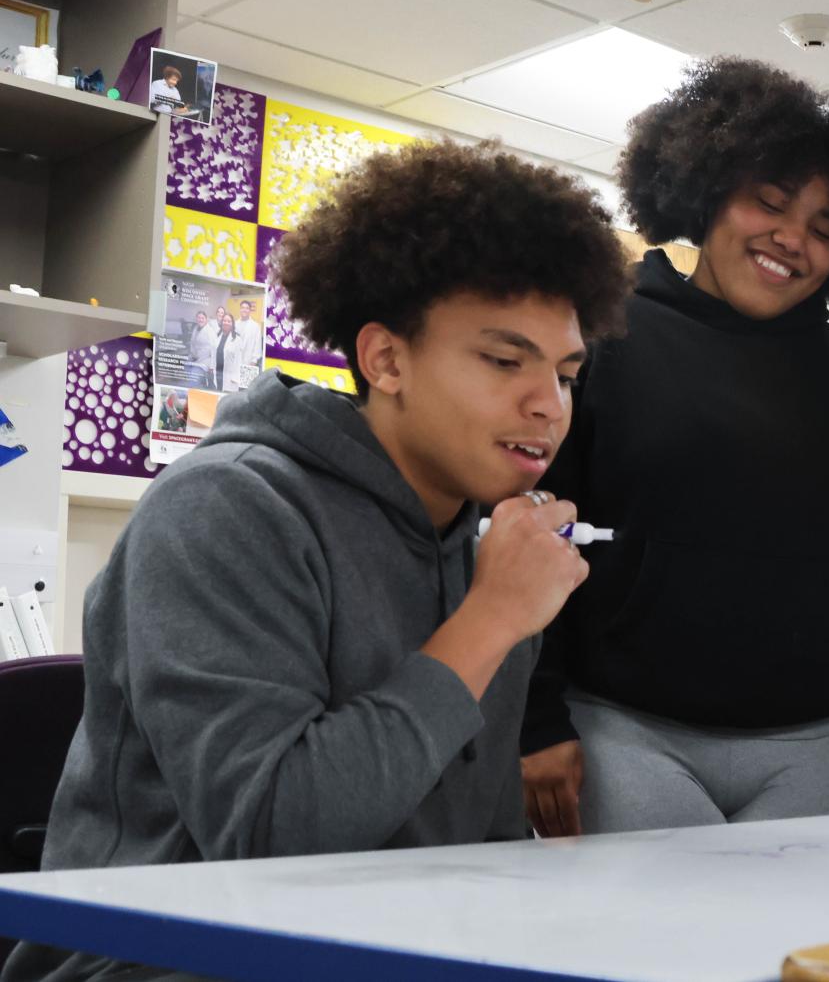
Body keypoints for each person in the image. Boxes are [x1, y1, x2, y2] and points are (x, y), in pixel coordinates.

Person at [1, 140, 630, 982]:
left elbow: (470, 834)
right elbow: (271, 835)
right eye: (505, 360)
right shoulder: (224, 508)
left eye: (566, 373)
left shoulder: (483, 536)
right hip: (166, 960)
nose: (548, 405)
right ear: (385, 359)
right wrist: (492, 618)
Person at [519, 57, 829, 836]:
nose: (791, 239)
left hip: (813, 741)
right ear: (707, 193)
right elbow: (535, 531)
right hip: (626, 731)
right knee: (654, 959)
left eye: (824, 228)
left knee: (801, 958)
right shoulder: (607, 339)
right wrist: (537, 718)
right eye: (769, 204)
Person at [187, 308, 219, 389]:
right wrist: (191, 356)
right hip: (197, 359)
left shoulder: (210, 331)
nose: (200, 320)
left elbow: (214, 349)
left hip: (206, 360)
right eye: (199, 318)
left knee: (194, 375)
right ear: (196, 319)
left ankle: (193, 391)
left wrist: (212, 366)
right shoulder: (195, 329)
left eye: (202, 318)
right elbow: (192, 344)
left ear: (206, 319)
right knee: (186, 370)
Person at [214, 311, 243, 392]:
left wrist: (235, 378)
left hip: (230, 378)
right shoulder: (217, 336)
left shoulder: (237, 339)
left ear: (232, 324)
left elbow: (239, 361)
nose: (226, 323)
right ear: (221, 322)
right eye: (224, 320)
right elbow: (214, 354)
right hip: (217, 374)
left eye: (229, 321)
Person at [235, 297, 265, 373]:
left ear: (250, 310)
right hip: (234, 363)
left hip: (249, 364)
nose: (244, 310)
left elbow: (257, 347)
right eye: (242, 308)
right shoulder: (235, 324)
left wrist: (252, 364)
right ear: (240, 309)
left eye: (247, 308)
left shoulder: (255, 326)